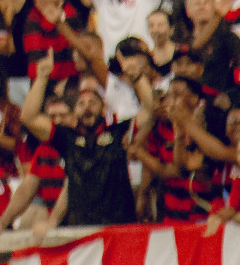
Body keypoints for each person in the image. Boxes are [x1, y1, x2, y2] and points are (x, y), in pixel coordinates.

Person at [17, 51, 153, 228]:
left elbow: (150, 112)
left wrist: (138, 78)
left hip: (120, 226)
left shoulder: (119, 131)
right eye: (81, 104)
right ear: (74, 113)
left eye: (92, 103)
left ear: (104, 109)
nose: (87, 106)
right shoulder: (66, 137)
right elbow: (28, 117)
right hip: (80, 228)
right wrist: (41, 78)